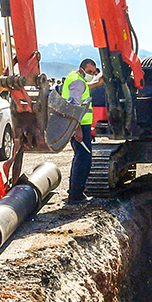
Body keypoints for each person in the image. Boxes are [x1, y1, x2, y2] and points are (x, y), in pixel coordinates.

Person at [60, 58, 99, 205]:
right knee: (83, 160)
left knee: (79, 158)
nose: (91, 74)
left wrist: (97, 81)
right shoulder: (78, 82)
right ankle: (76, 196)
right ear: (82, 69)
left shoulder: (75, 78)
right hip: (79, 125)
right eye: (89, 72)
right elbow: (73, 107)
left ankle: (75, 192)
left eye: (93, 72)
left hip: (78, 124)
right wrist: (77, 130)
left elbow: (85, 87)